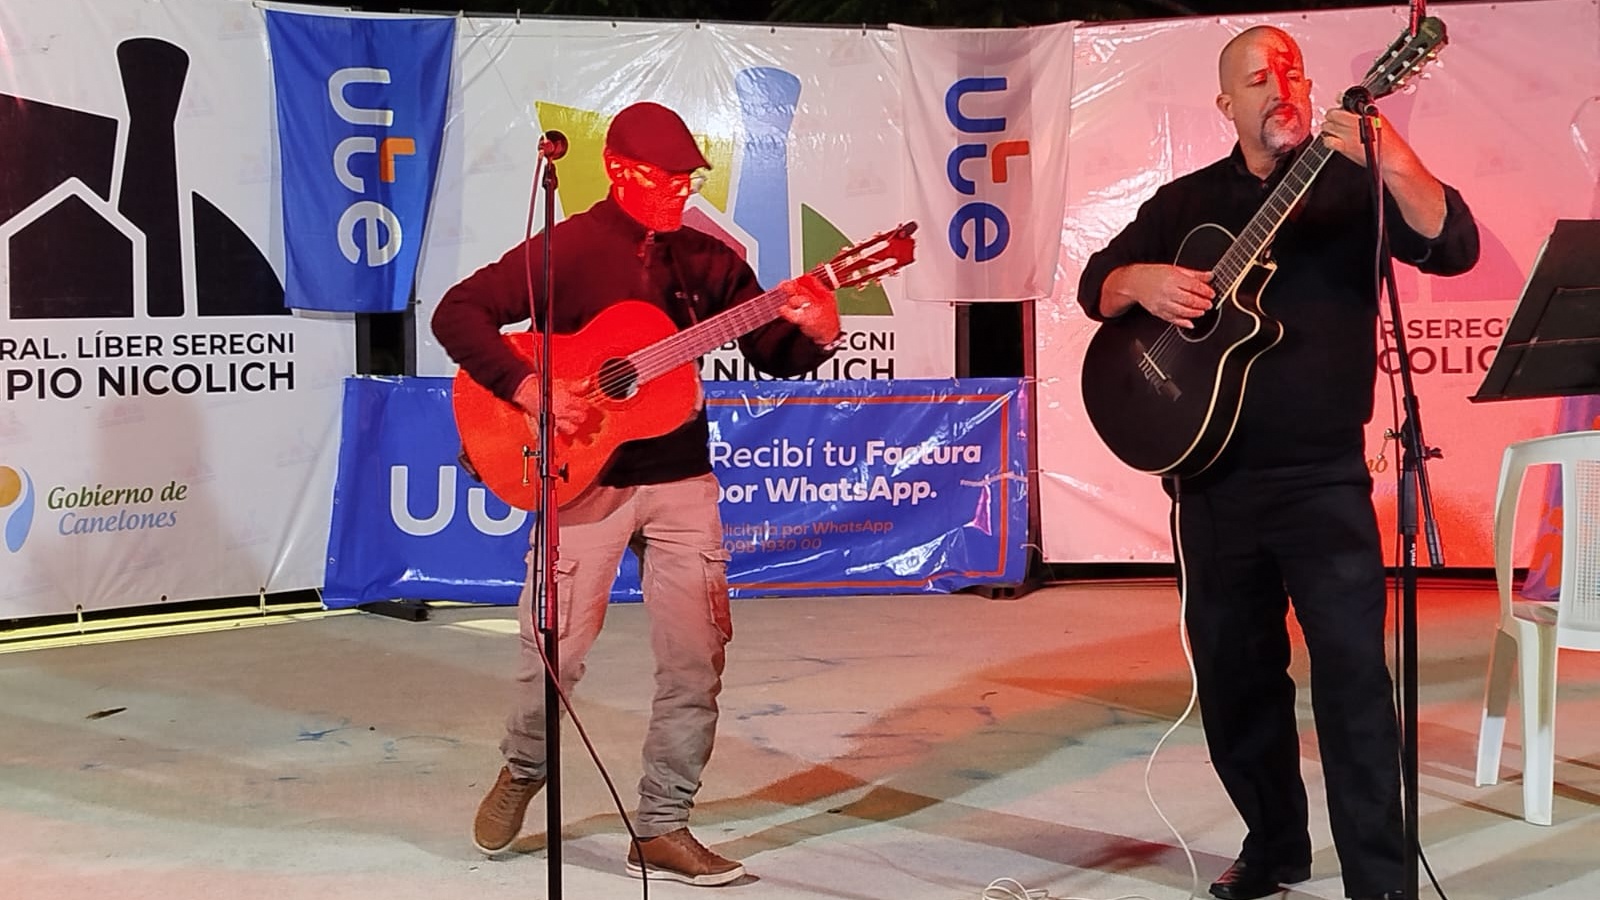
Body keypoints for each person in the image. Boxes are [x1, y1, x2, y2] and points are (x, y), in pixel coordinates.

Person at [1076, 26, 1478, 900]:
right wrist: (1141, 283)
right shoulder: (1184, 202)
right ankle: (1275, 849)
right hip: (1212, 486)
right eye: (1258, 78)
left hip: (1323, 482)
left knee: (1353, 688)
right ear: (1229, 105)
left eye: (1291, 68)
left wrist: (1392, 152)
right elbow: (1095, 284)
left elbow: (1454, 244)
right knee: (1235, 682)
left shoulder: (1355, 187)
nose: (1280, 84)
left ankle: (1380, 882)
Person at [432, 100, 843, 885]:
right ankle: (524, 770)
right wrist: (530, 387)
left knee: (696, 659)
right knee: (553, 657)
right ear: (619, 170)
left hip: (683, 482)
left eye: (691, 177)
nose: (681, 190)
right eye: (666, 177)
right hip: (581, 481)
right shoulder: (570, 247)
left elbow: (771, 351)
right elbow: (460, 313)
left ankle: (662, 823)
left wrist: (817, 327)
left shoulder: (708, 260)